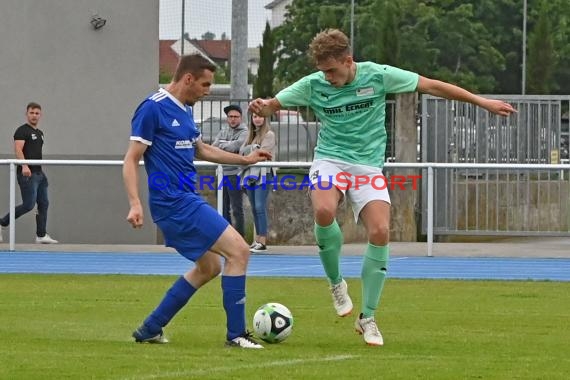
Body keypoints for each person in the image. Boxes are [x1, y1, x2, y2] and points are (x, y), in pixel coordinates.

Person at [249, 29, 517, 346]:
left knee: (379, 232)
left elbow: (431, 85)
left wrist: (482, 102)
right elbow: (273, 104)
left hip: (367, 166)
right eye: (323, 71)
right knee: (323, 210)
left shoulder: (378, 75)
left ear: (349, 61)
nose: (328, 77)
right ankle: (336, 283)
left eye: (332, 70)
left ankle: (368, 318)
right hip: (330, 160)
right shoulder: (313, 85)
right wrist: (263, 105)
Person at [123, 53, 271, 348]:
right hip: (175, 203)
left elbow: (202, 151)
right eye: (205, 84)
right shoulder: (152, 109)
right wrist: (135, 203)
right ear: (187, 79)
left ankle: (150, 328)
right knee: (240, 251)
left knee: (210, 267)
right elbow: (131, 159)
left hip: (183, 201)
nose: (208, 90)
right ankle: (236, 335)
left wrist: (245, 159)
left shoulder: (186, 110)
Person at [0, 102, 58, 244]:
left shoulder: (40, 133)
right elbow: (18, 149)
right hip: (27, 174)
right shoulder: (21, 131)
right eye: (31, 113)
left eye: (37, 113)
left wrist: (40, 172)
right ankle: (2, 223)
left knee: (44, 203)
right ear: (27, 114)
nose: (34, 116)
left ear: (40, 115)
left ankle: (41, 235)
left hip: (39, 174)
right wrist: (25, 166)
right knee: (28, 205)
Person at [239, 114, 276, 253]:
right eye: (255, 116)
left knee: (260, 206)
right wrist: (253, 148)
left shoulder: (269, 134)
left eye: (260, 116)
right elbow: (241, 152)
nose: (258, 119)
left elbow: (263, 153)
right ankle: (257, 240)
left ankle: (263, 241)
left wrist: (251, 150)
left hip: (264, 174)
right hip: (249, 174)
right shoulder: (250, 135)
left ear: (265, 118)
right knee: (254, 207)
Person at [212, 104, 248, 237]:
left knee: (236, 209)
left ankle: (240, 237)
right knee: (222, 208)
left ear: (241, 118)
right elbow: (213, 147)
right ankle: (227, 237)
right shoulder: (223, 130)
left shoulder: (245, 132)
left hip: (235, 174)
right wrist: (225, 145)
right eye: (230, 116)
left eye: (235, 116)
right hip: (221, 173)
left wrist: (223, 144)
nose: (233, 119)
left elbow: (235, 147)